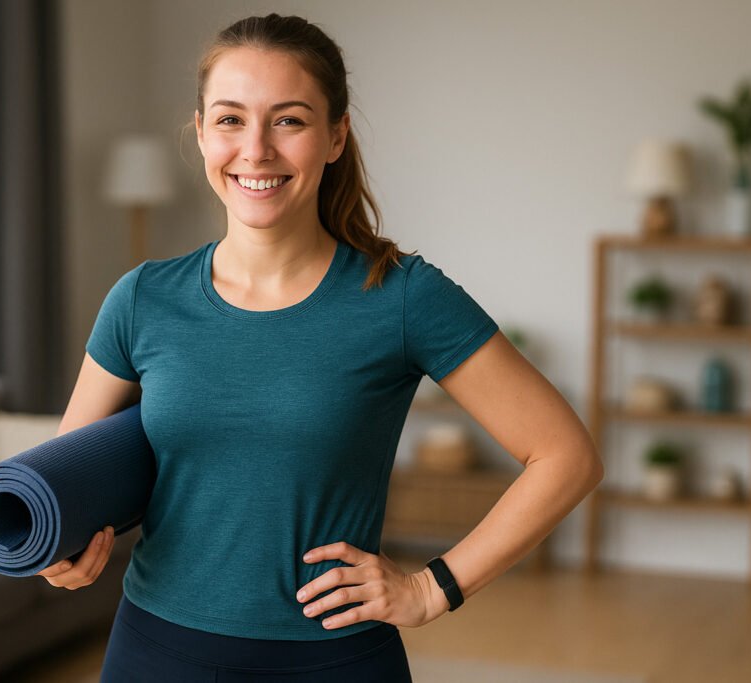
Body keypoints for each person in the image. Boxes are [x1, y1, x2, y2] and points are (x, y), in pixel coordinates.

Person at [37, 13, 603, 682]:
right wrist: (58, 550)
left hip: (333, 660)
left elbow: (566, 456)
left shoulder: (400, 296)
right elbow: (66, 484)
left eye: (289, 120)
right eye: (229, 119)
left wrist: (431, 588)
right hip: (156, 652)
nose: (256, 150)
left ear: (335, 136)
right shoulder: (141, 299)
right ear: (200, 132)